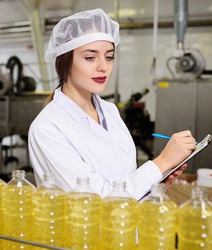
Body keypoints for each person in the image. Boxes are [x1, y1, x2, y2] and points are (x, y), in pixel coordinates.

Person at [28, 8, 196, 200]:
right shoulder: (47, 128)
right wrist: (161, 163)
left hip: (126, 225)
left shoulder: (109, 111)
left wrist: (155, 184)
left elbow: (123, 180)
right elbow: (95, 200)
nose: (103, 67)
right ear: (65, 61)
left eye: (109, 57)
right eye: (90, 57)